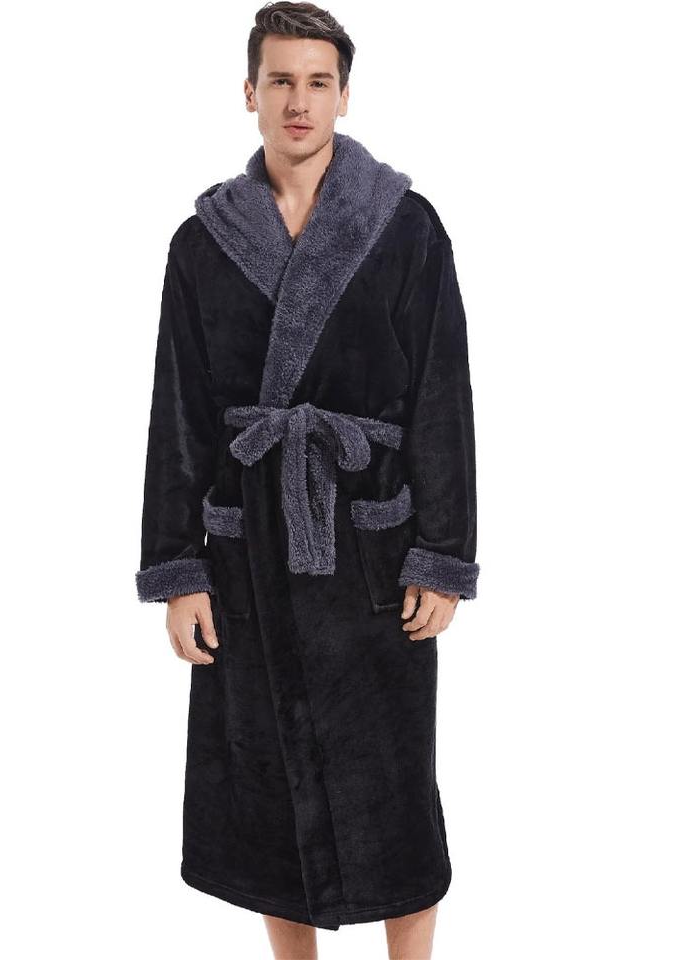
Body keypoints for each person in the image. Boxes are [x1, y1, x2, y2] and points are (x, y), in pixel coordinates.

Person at [135, 3, 479, 956]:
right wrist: (179, 571)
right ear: (249, 92)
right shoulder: (202, 242)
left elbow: (441, 397)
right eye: (280, 80)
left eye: (317, 82)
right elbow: (178, 413)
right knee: (269, 795)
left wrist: (443, 557)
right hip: (247, 553)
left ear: (344, 95)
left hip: (372, 548)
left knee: (397, 793)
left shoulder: (405, 227)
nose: (299, 101)